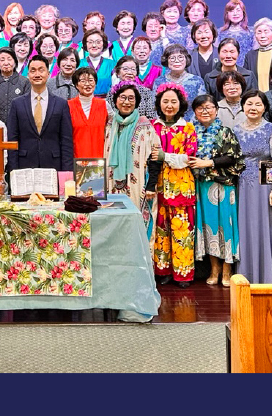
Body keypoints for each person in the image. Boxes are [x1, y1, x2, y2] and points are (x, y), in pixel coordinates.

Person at [190, 94, 245, 287]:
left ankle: (227, 268)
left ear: (216, 110)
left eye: (209, 107)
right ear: (195, 112)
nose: (205, 111)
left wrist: (208, 163)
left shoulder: (225, 131)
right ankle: (214, 268)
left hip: (223, 184)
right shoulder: (191, 133)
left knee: (225, 227)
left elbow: (233, 158)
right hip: (201, 185)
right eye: (200, 108)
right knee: (208, 227)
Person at [234, 90, 272, 284]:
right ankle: (246, 275)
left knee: (264, 227)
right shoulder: (236, 130)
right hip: (241, 186)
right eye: (249, 104)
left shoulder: (271, 129)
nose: (253, 108)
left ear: (264, 108)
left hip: (264, 186)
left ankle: (267, 275)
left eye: (258, 104)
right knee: (245, 227)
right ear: (243, 106)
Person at [150, 83, 198, 287]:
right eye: (165, 101)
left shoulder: (188, 128)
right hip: (158, 184)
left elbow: (189, 158)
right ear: (159, 104)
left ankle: (183, 273)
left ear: (181, 104)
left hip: (182, 185)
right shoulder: (152, 126)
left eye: (173, 101)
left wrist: (165, 156)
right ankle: (162, 271)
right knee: (160, 228)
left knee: (182, 230)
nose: (169, 105)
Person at [104, 80, 161, 239]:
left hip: (138, 186)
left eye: (131, 98)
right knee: (114, 226)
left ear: (136, 102)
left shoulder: (145, 125)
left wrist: (151, 185)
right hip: (112, 185)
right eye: (123, 97)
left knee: (137, 226)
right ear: (115, 100)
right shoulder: (110, 124)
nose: (126, 102)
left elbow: (155, 156)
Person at [7, 55, 74, 175]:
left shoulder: (61, 104)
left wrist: (66, 173)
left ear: (48, 74)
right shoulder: (17, 104)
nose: (37, 74)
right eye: (33, 70)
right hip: (24, 166)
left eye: (41, 70)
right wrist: (13, 171)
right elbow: (12, 139)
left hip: (53, 166)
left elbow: (66, 141)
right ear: (28, 74)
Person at [152, 44, 206, 121]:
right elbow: (155, 107)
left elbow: (201, 106)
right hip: (165, 124)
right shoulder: (159, 81)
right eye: (172, 58)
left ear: (186, 59)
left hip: (191, 124)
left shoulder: (197, 81)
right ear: (166, 61)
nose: (176, 61)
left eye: (180, 57)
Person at [242, 17, 272, 93]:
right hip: (257, 97)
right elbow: (246, 80)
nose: (262, 36)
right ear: (255, 36)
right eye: (259, 32)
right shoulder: (250, 55)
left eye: (266, 32)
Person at [68, 67, 108, 159]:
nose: (87, 84)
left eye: (90, 80)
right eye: (83, 81)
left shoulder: (104, 105)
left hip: (100, 158)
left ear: (95, 83)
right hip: (76, 159)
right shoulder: (68, 106)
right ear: (76, 85)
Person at [0, 47, 30, 124]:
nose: (6, 63)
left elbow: (28, 107)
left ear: (15, 62)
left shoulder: (25, 82)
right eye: (2, 60)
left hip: (19, 125)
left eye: (9, 59)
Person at [217, 0, 254, 67]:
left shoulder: (252, 32)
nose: (235, 13)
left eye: (238, 10)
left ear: (243, 13)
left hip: (248, 69)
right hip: (226, 69)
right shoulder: (219, 33)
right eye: (231, 11)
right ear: (227, 14)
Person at [79, 29, 115, 97]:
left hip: (106, 101)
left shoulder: (112, 65)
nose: (94, 45)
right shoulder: (79, 64)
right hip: (84, 101)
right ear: (85, 44)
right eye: (90, 42)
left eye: (98, 42)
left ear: (104, 44)